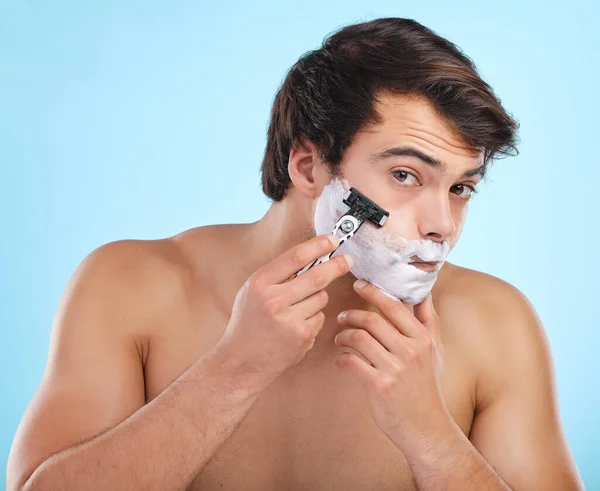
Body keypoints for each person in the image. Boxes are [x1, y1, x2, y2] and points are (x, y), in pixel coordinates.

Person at [7, 17, 584, 491]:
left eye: (460, 188)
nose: (442, 226)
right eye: (406, 174)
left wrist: (429, 432)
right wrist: (232, 372)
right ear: (307, 166)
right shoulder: (131, 286)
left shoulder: (495, 325)